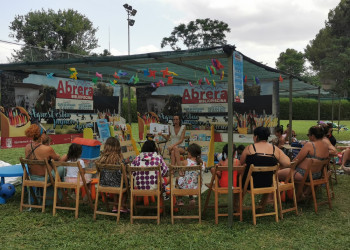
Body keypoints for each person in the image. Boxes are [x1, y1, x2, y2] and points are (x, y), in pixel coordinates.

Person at [95, 137, 127, 213]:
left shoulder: (102, 158)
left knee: (114, 181)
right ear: (118, 147)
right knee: (126, 184)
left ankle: (115, 206)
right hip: (117, 184)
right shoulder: (119, 158)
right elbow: (124, 171)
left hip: (103, 184)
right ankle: (122, 205)